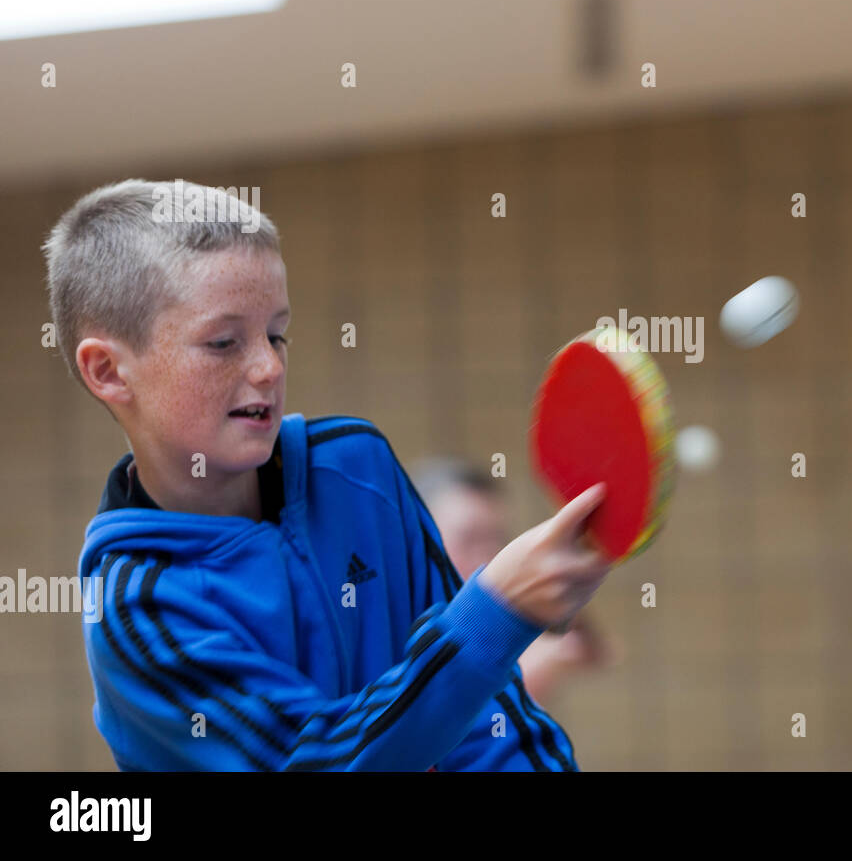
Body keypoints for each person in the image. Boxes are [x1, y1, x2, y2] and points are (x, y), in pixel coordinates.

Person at [44, 179, 611, 771]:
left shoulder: (355, 465)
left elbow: (490, 721)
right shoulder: (139, 614)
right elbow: (318, 761)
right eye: (222, 342)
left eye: (276, 333)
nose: (267, 366)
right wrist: (493, 612)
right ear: (108, 371)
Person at [411, 459, 620, 705]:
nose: (487, 555)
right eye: (469, 539)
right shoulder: (391, 627)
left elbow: (598, 652)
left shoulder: (502, 610)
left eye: (496, 538)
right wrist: (530, 673)